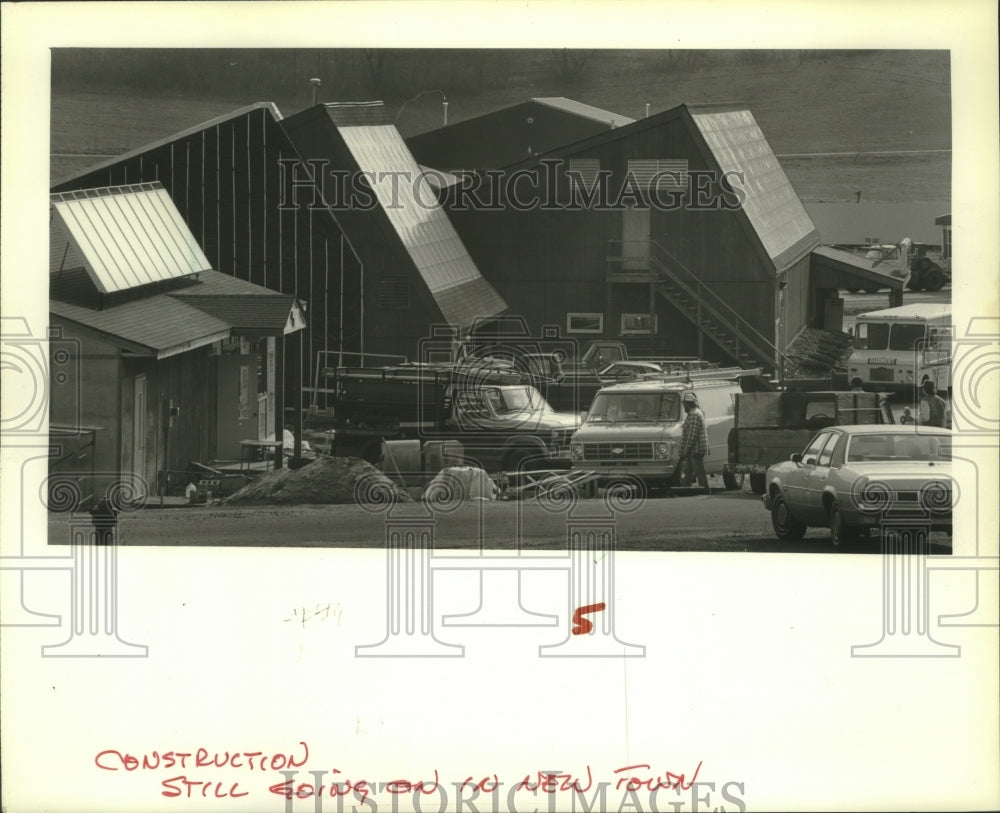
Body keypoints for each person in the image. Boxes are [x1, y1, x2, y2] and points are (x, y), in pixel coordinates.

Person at [678, 392, 710, 494]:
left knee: (699, 471)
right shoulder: (694, 413)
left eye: (684, 405)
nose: (683, 408)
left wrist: (686, 450)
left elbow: (692, 435)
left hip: (696, 448)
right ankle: (686, 490)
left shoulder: (694, 415)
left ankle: (705, 490)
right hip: (695, 448)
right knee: (688, 470)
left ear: (688, 404)